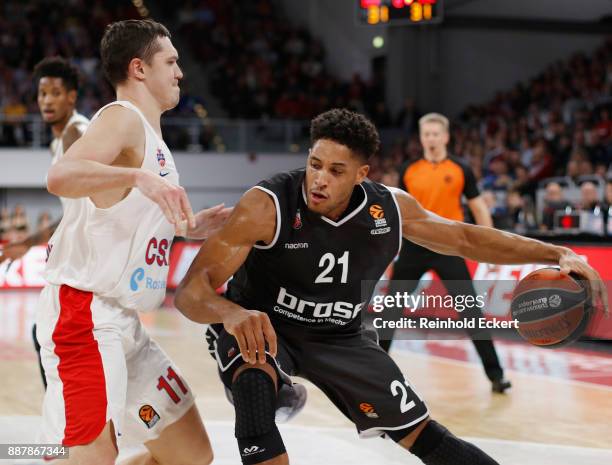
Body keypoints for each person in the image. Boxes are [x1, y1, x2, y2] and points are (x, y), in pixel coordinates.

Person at [174, 108, 607, 465]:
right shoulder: (266, 205)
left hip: (341, 337)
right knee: (253, 379)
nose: (319, 179)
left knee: (423, 434)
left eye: (336, 171)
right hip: (263, 325)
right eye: (315, 164)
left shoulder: (390, 209)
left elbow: (466, 237)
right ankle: (273, 386)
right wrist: (231, 313)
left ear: (361, 174)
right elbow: (192, 290)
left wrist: (553, 253)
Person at [38, 19, 229, 465]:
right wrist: (137, 175)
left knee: (191, 454)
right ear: (139, 69)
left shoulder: (150, 135)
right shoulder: (122, 118)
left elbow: (124, 213)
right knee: (89, 458)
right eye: (172, 61)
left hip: (126, 322)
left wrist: (187, 226)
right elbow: (58, 176)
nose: (180, 72)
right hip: (86, 318)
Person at [385, 112, 510, 393]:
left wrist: (489, 245)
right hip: (414, 246)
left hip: (449, 248)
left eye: (435, 134)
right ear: (421, 137)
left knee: (471, 312)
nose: (430, 139)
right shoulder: (408, 170)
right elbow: (399, 211)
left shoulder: (460, 169)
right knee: (391, 310)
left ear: (445, 137)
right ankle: (375, 374)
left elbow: (478, 208)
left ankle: (496, 375)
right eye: (425, 134)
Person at [0, 57, 90, 389]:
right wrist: (27, 242)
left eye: (55, 92)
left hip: (87, 258)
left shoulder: (76, 132)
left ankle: (69, 416)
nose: (47, 101)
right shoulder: (61, 139)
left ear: (72, 97)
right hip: (78, 253)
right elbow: (74, 211)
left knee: (50, 335)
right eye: (42, 94)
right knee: (48, 334)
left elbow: (92, 206)